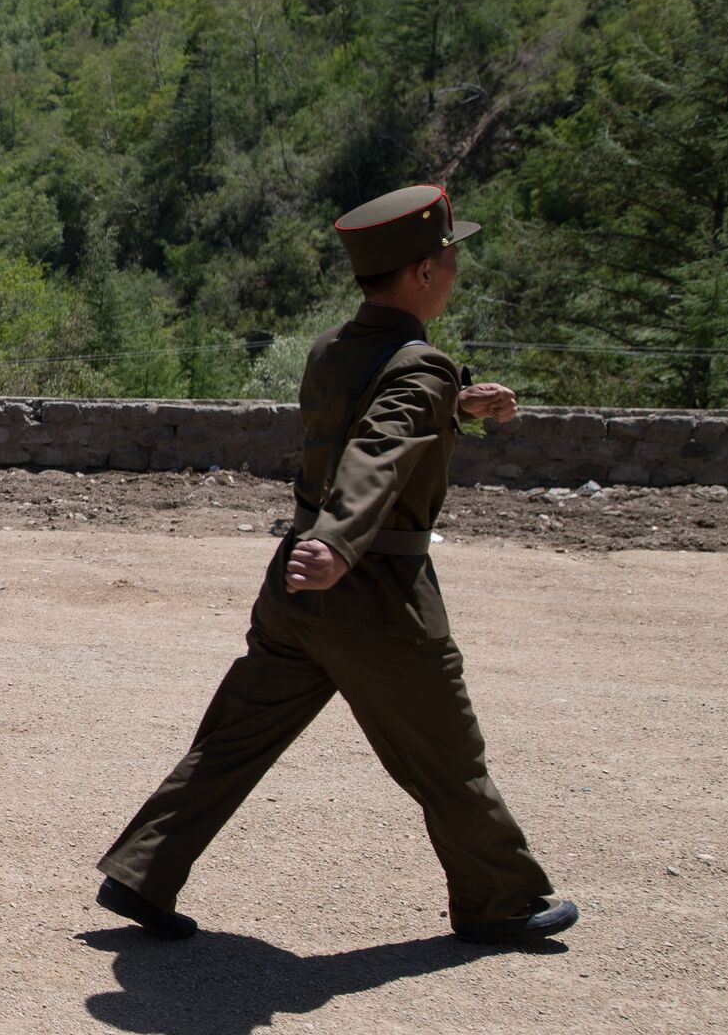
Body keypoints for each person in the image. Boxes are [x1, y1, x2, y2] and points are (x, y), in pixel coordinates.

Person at [94, 184, 579, 945]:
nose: (455, 268)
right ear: (421, 271)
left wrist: (456, 407)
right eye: (450, 255)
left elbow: (368, 420)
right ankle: (500, 899)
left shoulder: (337, 349)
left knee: (234, 737)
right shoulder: (421, 368)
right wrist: (343, 541)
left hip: (296, 583)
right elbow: (376, 455)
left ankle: (144, 869)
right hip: (372, 590)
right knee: (447, 756)